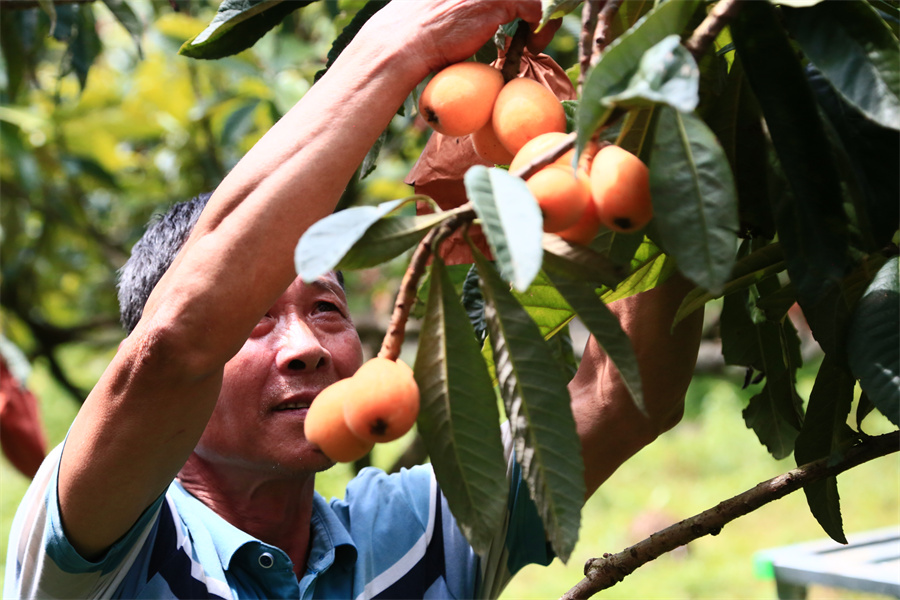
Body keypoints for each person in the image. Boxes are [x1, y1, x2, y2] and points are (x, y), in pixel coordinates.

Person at [4, 1, 704, 598]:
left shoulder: (424, 535)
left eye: (328, 309)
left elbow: (623, 396)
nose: (308, 348)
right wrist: (402, 42)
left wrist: (655, 141)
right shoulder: (95, 552)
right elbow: (173, 347)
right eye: (250, 324)